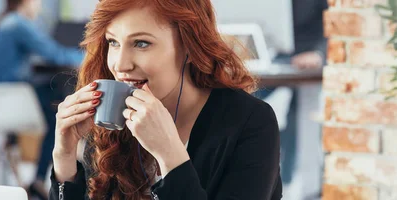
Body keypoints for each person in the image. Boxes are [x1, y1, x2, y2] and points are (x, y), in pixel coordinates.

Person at [48, 0, 281, 199]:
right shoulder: (111, 119)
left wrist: (170, 155)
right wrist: (64, 157)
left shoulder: (250, 121)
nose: (120, 64)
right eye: (113, 42)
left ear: (190, 46)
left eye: (141, 43)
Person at [0, 0, 83, 198]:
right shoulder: (19, 25)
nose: (40, 7)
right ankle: (38, 178)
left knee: (46, 92)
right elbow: (55, 54)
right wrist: (91, 57)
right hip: (8, 101)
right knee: (58, 114)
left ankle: (37, 178)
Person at [254, 0, 328, 190]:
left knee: (296, 110)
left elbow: (335, 29)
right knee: (240, 100)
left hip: (309, 56)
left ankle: (287, 178)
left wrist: (319, 53)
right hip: (273, 54)